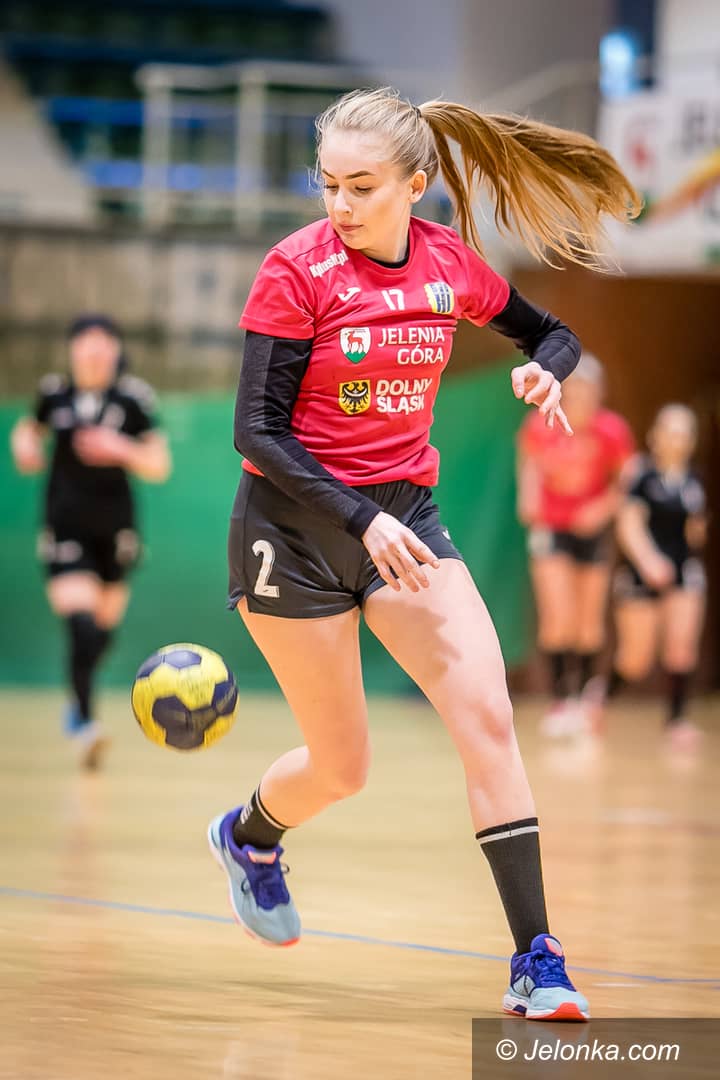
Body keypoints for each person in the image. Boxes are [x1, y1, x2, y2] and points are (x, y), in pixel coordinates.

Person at [207, 87, 640, 1021]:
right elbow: (258, 432)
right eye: (329, 183)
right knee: (342, 767)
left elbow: (554, 334)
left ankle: (536, 960)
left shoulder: (449, 265)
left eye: (362, 186)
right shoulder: (295, 270)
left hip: (404, 517)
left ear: (415, 185)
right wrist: (359, 520)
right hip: (293, 529)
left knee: (487, 715)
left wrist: (546, 370)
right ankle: (248, 835)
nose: (341, 204)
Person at [10, 314, 171, 768]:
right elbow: (28, 429)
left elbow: (159, 464)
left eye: (104, 344)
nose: (96, 352)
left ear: (116, 352)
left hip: (117, 532)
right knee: (80, 625)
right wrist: (24, 447)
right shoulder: (54, 393)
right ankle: (85, 723)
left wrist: (119, 448)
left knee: (100, 634)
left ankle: (75, 703)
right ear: (73, 350)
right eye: (87, 343)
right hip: (65, 526)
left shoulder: (133, 398)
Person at [516, 354, 635, 735]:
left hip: (591, 531)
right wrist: (529, 498)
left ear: (599, 393)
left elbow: (629, 480)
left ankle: (584, 699)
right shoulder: (541, 423)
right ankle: (561, 699)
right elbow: (529, 465)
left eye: (589, 392)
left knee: (589, 622)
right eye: (575, 391)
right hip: (552, 528)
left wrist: (602, 509)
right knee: (557, 617)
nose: (582, 399)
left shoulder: (612, 430)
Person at [609, 404, 707, 748]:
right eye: (670, 431)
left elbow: (696, 530)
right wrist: (649, 561)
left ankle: (676, 720)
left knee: (681, 649)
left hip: (684, 572)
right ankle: (600, 700)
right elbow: (628, 524)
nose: (677, 439)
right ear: (656, 436)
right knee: (635, 660)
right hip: (642, 573)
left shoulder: (694, 481)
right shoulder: (641, 475)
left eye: (684, 433)